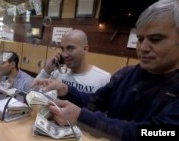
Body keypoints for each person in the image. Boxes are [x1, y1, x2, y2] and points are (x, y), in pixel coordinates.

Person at [32, 0, 179, 140]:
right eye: (140, 39)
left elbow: (158, 133)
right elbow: (95, 102)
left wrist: (83, 117)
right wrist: (66, 90)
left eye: (156, 39)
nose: (143, 48)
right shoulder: (125, 74)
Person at [35, 29, 111, 93]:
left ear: (85, 49)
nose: (64, 55)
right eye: (63, 49)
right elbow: (33, 93)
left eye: (70, 48)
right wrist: (46, 71)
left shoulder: (103, 79)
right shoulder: (58, 73)